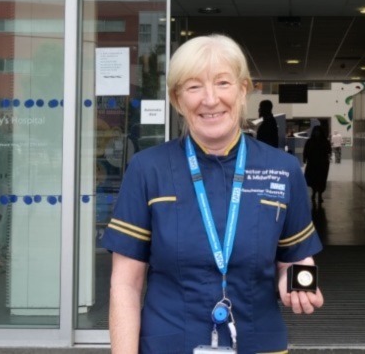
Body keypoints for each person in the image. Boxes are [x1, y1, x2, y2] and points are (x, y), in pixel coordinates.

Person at [103, 34, 324, 354]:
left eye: (222, 83)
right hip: (170, 343)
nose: (210, 99)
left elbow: (295, 257)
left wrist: (296, 283)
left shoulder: (282, 169)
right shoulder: (148, 169)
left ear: (243, 89)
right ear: (178, 100)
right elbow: (125, 284)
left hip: (258, 342)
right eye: (193, 87)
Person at [303, 126, 332, 203]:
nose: (317, 133)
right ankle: (314, 192)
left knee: (321, 179)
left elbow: (329, 151)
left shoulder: (324, 141)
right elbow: (306, 150)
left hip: (322, 164)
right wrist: (305, 158)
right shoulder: (310, 141)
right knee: (313, 179)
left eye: (318, 131)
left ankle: (319, 194)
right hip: (313, 163)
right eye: (316, 131)